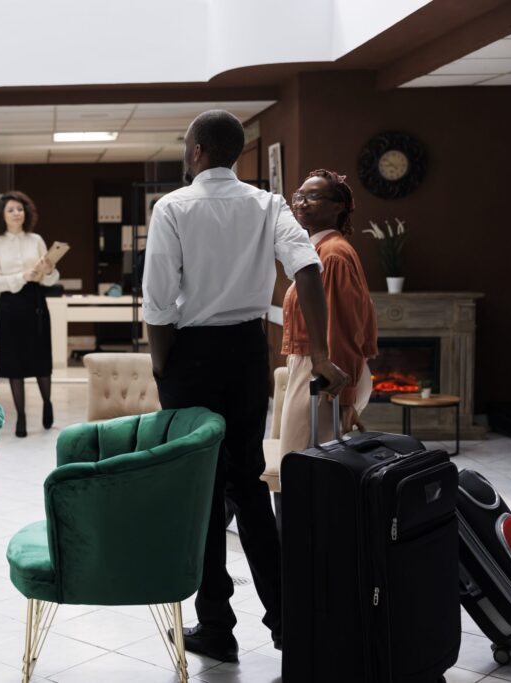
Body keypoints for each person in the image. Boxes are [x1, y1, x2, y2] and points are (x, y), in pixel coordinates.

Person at [142, 110, 348, 663]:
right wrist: (323, 353)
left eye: (188, 144)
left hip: (188, 356)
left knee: (201, 494)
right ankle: (288, 624)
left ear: (199, 151)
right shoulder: (268, 203)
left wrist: (165, 368)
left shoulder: (172, 207)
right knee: (250, 486)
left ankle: (216, 627)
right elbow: (306, 267)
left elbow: (159, 301)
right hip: (244, 354)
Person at [280, 169, 378, 453]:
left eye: (313, 196)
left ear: (338, 206)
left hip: (326, 377)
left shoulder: (333, 255)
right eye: (299, 196)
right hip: (317, 372)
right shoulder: (318, 250)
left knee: (301, 467)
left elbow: (345, 329)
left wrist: (344, 399)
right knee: (307, 468)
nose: (301, 202)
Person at [0, 191, 59, 438]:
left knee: (40, 358)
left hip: (35, 302)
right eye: (11, 210)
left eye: (20, 209)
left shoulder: (35, 239)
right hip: (9, 306)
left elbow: (51, 278)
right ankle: (21, 416)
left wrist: (48, 270)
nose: (17, 213)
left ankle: (47, 404)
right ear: (2, 215)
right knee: (14, 362)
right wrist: (21, 277)